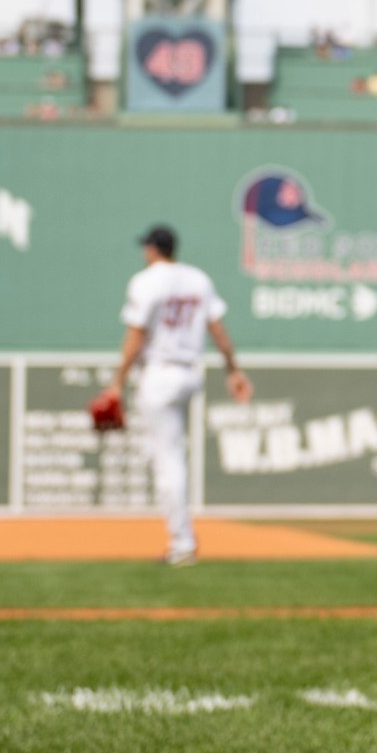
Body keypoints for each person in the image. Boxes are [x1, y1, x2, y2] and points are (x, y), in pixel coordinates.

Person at [91, 225, 250, 567]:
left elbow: (136, 336)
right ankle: (182, 540)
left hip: (160, 373)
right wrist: (233, 370)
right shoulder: (198, 279)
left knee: (168, 462)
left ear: (151, 249)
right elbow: (218, 330)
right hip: (190, 372)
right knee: (168, 455)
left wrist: (117, 382)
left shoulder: (146, 281)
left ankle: (182, 544)